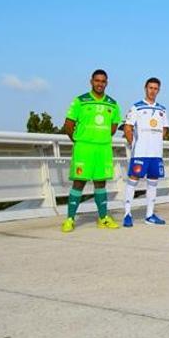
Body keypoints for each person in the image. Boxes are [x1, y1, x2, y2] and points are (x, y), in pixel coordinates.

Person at [61, 69, 122, 232]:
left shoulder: (112, 104)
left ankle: (103, 218)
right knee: (79, 182)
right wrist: (79, 140)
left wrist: (100, 137)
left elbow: (114, 127)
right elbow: (68, 124)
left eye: (103, 81)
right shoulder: (80, 101)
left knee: (100, 182)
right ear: (91, 81)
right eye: (97, 81)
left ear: (106, 83)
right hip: (84, 147)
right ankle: (69, 219)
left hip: (102, 148)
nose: (100, 84)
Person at [122, 77, 169, 227]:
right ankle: (127, 214)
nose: (153, 91)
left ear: (158, 90)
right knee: (133, 180)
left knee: (153, 182)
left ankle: (149, 215)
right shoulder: (137, 107)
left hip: (156, 154)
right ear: (145, 88)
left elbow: (165, 128)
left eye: (156, 88)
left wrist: (157, 139)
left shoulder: (162, 109)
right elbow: (127, 127)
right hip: (141, 152)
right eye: (150, 88)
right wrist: (133, 143)